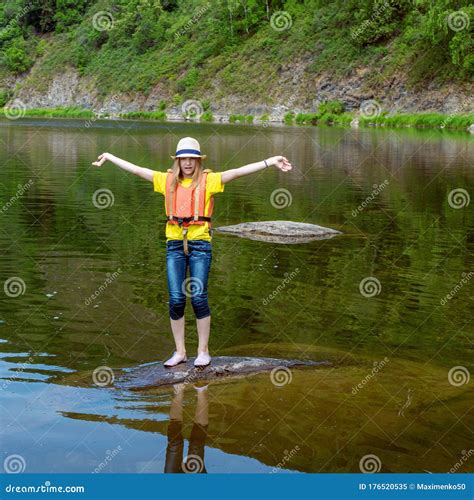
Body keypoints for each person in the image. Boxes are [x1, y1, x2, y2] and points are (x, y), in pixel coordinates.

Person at [92, 137, 292, 368]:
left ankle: (203, 351)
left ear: (198, 161)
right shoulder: (165, 180)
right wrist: (109, 156)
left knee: (198, 297)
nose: (187, 163)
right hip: (174, 245)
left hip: (200, 245)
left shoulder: (211, 181)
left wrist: (270, 161)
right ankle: (180, 352)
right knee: (176, 299)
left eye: (192, 159)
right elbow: (138, 170)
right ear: (177, 161)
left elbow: (238, 171)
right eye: (183, 159)